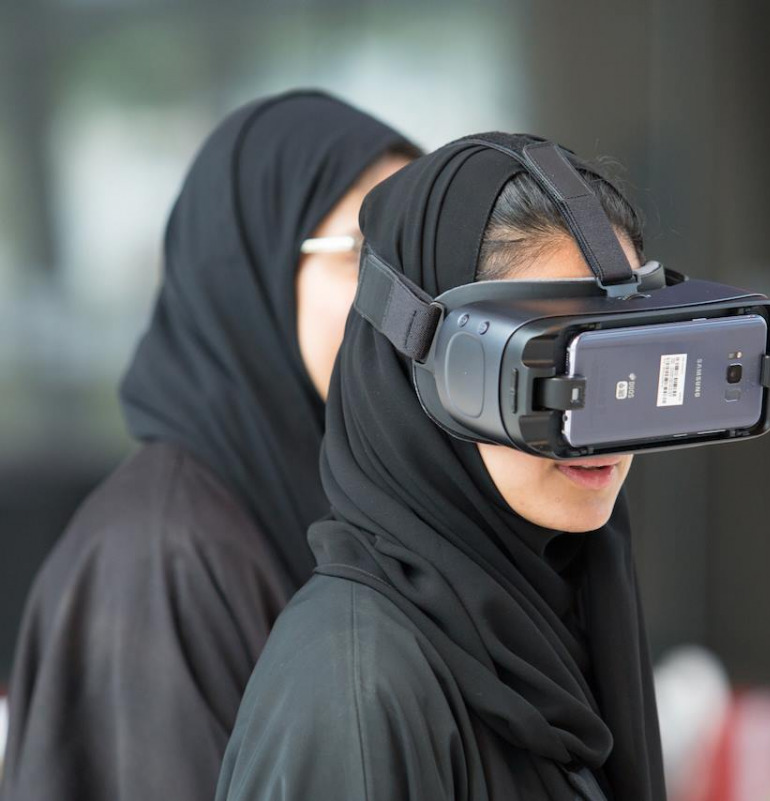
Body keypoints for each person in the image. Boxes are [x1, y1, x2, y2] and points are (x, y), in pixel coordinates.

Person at [214, 134, 667, 800]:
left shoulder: (570, 620)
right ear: (425, 367)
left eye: (626, 361)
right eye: (549, 365)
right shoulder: (357, 691)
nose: (599, 425)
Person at [0, 90, 421, 801]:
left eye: (420, 255)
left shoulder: (357, 501)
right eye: (365, 253)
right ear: (249, 267)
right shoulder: (160, 555)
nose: (409, 300)